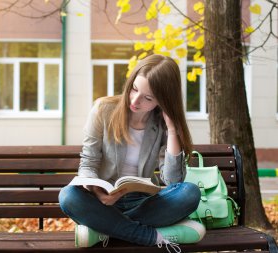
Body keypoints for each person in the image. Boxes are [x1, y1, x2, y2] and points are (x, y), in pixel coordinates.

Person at [58, 54, 205, 250]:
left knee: (189, 193)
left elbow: (173, 181)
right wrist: (97, 191)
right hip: (103, 202)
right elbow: (88, 163)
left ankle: (103, 229)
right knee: (68, 196)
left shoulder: (161, 124)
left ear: (162, 100)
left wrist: (171, 130)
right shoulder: (103, 109)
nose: (135, 100)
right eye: (134, 89)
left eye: (148, 97)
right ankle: (150, 236)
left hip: (142, 203)